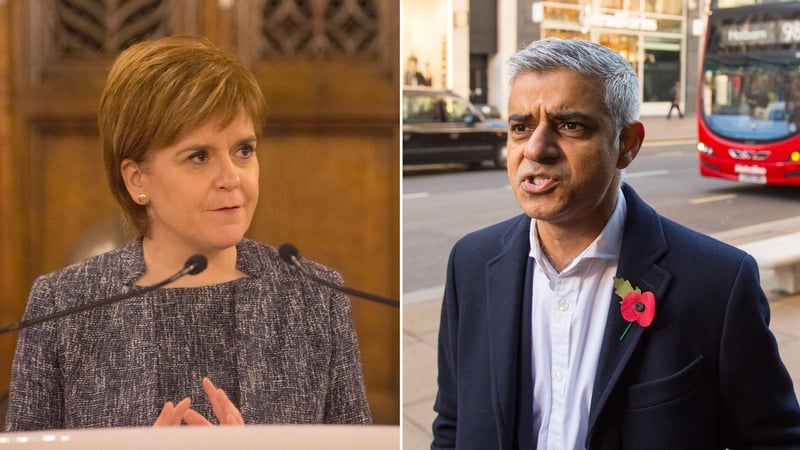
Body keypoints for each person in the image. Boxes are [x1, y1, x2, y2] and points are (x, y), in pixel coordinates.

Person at [431, 38, 800, 449]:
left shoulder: (717, 283)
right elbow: (453, 422)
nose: (535, 148)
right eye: (521, 127)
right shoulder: (470, 263)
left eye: (570, 125)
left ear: (627, 144)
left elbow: (775, 439)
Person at [5, 35, 371, 430]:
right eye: (199, 157)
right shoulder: (63, 307)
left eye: (243, 151)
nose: (232, 178)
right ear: (136, 179)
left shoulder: (316, 296)